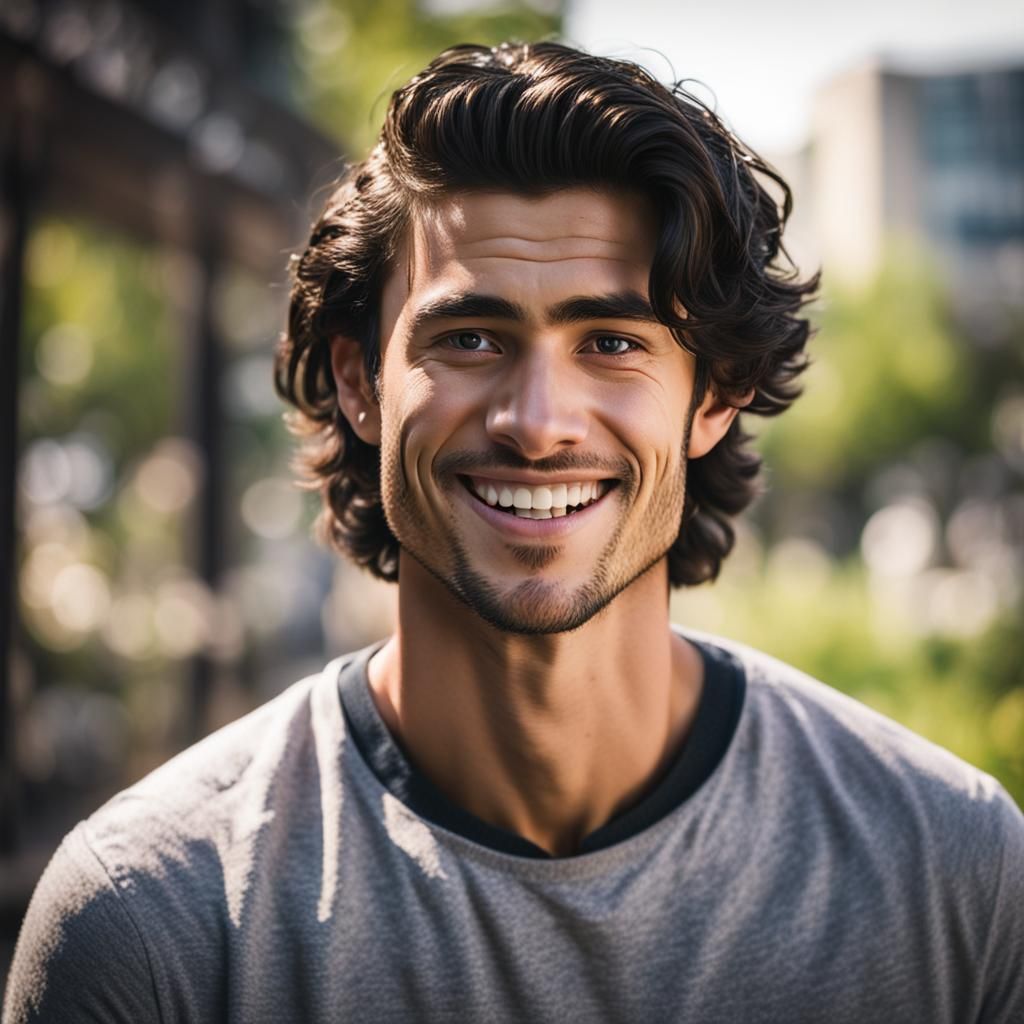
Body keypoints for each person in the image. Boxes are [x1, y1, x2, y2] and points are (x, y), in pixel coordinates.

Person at [5, 40, 1023, 1024]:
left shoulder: (952, 871)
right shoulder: (150, 922)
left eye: (612, 341)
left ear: (715, 393)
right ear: (361, 382)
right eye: (471, 337)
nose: (537, 422)